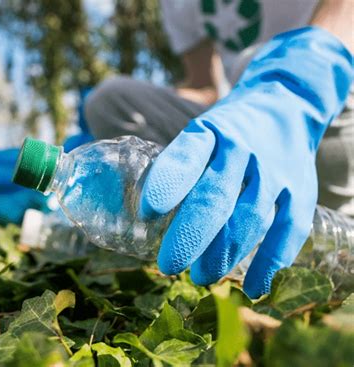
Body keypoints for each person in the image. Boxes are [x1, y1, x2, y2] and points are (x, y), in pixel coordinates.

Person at [84, 0, 353, 298]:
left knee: (249, 60)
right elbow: (204, 88)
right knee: (111, 101)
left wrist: (293, 89)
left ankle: (332, 215)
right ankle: (236, 215)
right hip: (246, 112)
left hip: (332, 90)